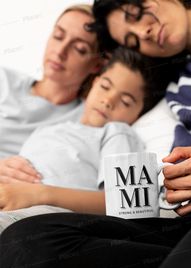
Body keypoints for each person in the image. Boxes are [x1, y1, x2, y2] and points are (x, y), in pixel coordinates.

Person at [0, 1, 191, 268]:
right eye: (132, 40)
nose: (144, 33)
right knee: (25, 245)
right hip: (186, 218)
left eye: (135, 14)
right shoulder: (176, 83)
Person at [0, 46, 168, 233]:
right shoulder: (50, 128)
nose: (108, 100)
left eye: (126, 102)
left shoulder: (117, 132)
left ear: (139, 113)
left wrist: (40, 195)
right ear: (94, 84)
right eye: (105, 87)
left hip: (45, 214)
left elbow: (130, 205)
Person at [0, 4, 101, 184]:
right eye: (58, 36)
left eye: (79, 48)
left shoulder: (89, 119)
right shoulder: (3, 80)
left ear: (97, 65)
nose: (60, 52)